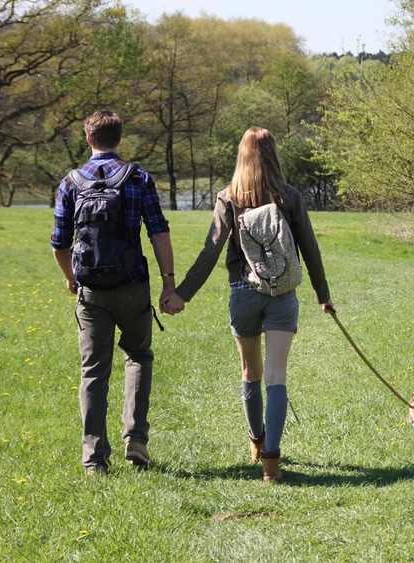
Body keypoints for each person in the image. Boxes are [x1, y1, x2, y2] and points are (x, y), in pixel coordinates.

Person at [164, 126, 333, 481]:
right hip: (282, 295)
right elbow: (310, 250)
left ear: (241, 156)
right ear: (273, 154)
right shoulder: (290, 196)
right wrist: (323, 295)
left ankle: (256, 442)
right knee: (276, 377)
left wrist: (181, 293)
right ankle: (272, 464)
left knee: (250, 374)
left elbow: (210, 250)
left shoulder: (229, 197)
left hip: (243, 293)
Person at [51, 110, 179, 475]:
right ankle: (136, 439)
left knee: (93, 371)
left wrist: (70, 276)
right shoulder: (138, 176)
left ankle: (94, 459)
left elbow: (59, 242)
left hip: (91, 290)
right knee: (138, 355)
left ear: (88, 139)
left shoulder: (70, 182)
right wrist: (168, 282)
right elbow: (159, 232)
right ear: (119, 138)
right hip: (132, 285)